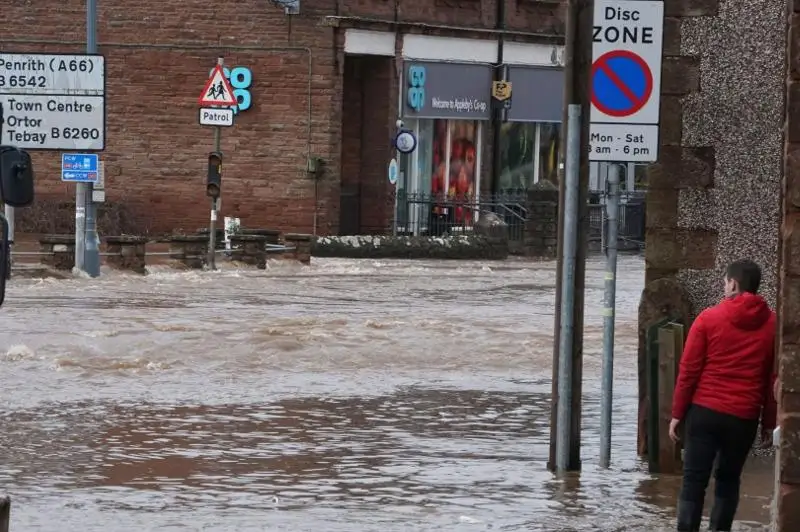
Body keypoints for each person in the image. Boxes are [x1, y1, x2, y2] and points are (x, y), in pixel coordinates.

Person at [669, 259, 777, 531]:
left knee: (694, 480)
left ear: (733, 284)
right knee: (729, 480)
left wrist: (677, 414)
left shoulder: (708, 318)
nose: (723, 286)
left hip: (705, 412)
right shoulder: (773, 324)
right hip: (744, 416)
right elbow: (772, 378)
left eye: (725, 281)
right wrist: (768, 422)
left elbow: (689, 371)